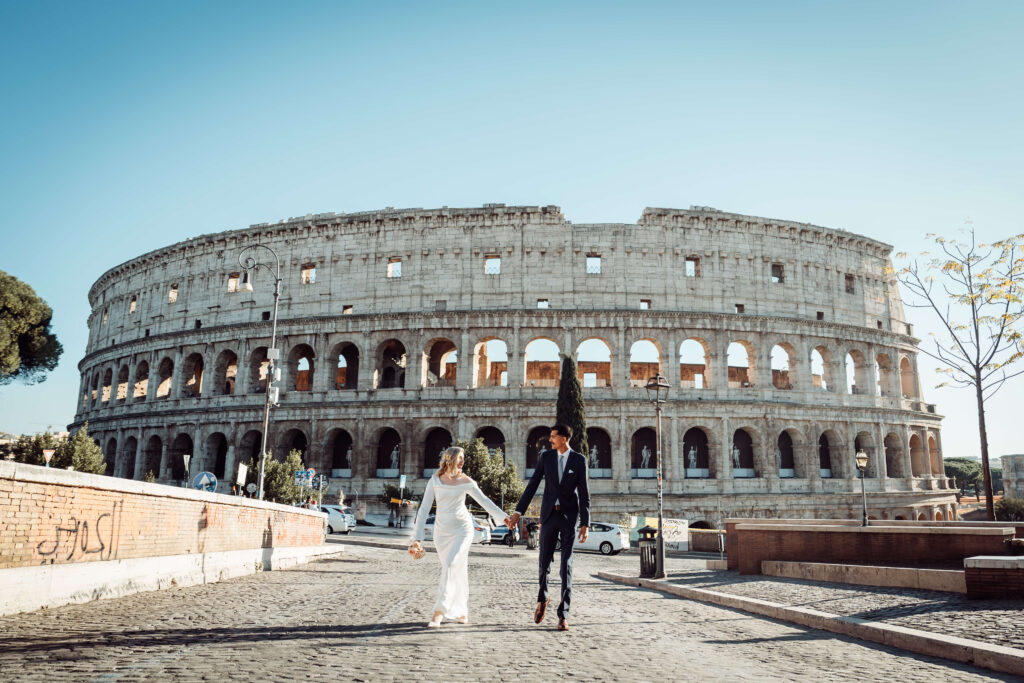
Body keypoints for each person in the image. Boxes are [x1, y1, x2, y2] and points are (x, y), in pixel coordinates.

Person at [408, 447, 507, 628]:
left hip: (462, 529)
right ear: (450, 458)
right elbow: (423, 509)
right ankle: (462, 610)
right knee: (455, 569)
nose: (462, 461)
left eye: (463, 458)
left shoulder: (466, 481)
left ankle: (439, 611)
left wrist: (504, 518)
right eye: (460, 458)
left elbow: (484, 501)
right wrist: (418, 538)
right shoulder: (435, 480)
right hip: (441, 532)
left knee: (451, 564)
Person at [507, 423, 590, 632]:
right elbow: (532, 485)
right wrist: (518, 512)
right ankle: (543, 598)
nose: (550, 440)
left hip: (569, 518)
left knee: (566, 566)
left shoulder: (579, 460)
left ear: (564, 439)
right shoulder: (546, 458)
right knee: (544, 563)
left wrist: (586, 523)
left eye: (553, 436)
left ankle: (563, 615)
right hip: (549, 516)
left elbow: (584, 493)